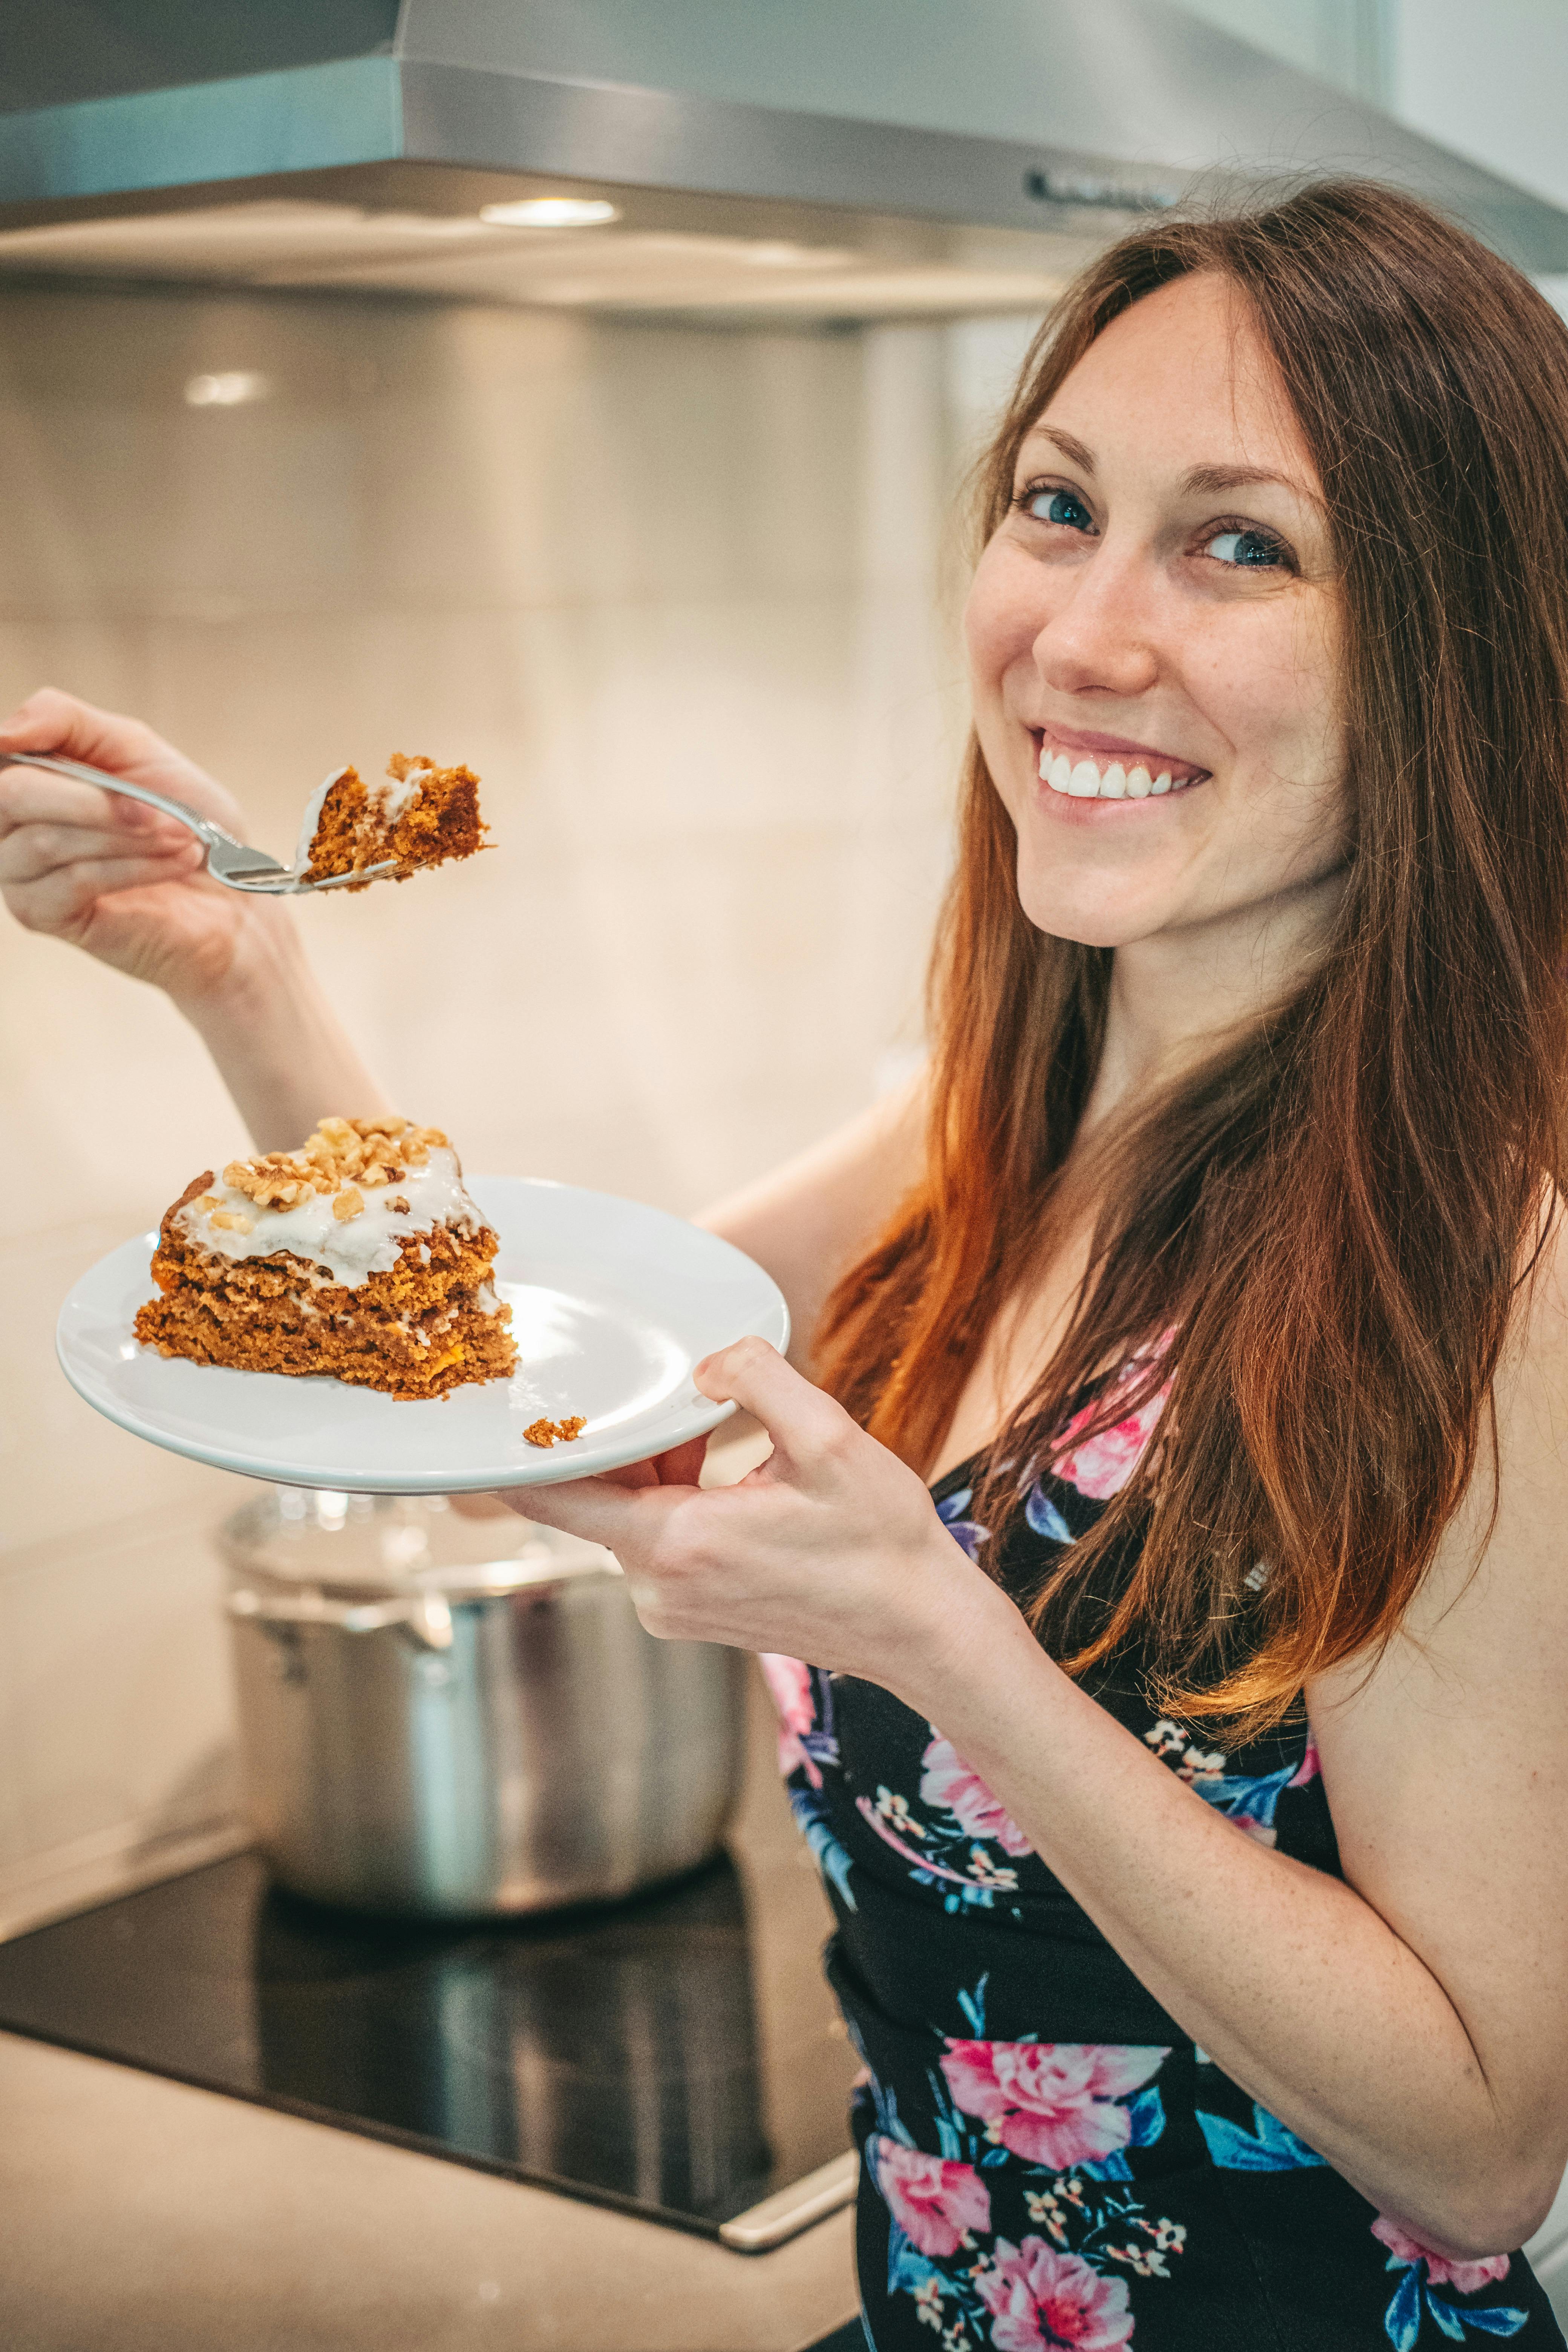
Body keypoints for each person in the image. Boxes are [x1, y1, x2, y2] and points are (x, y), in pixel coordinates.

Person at [4, 178, 1567, 2349]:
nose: (1085, 634)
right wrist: (246, 975)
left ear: (1458, 650)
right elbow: (507, 1390)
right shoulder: (987, 1125)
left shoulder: (1498, 1269)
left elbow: (1479, 2145)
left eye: (1242, 542)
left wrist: (946, 1638)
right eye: (1055, 505)